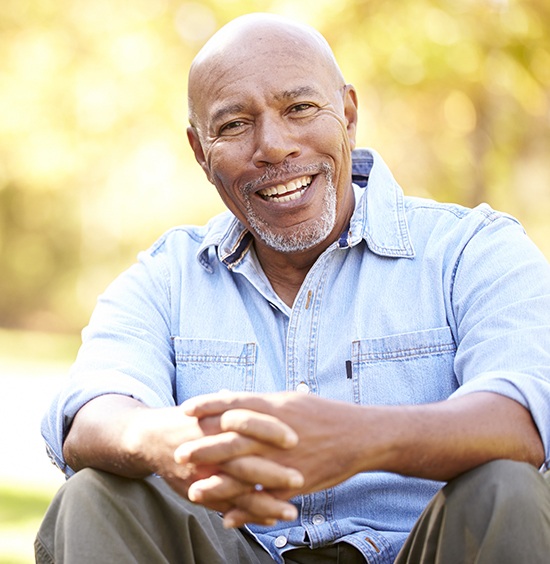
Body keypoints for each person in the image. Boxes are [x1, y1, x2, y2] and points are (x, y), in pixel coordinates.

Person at [36, 12, 550, 564]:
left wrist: (363, 438)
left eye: (300, 108)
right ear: (199, 151)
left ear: (348, 116)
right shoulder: (167, 277)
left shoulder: (472, 249)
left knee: (508, 488)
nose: (274, 147)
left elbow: (525, 415)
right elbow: (91, 413)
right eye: (234, 124)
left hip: (421, 550)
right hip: (234, 549)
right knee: (93, 496)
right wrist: (166, 441)